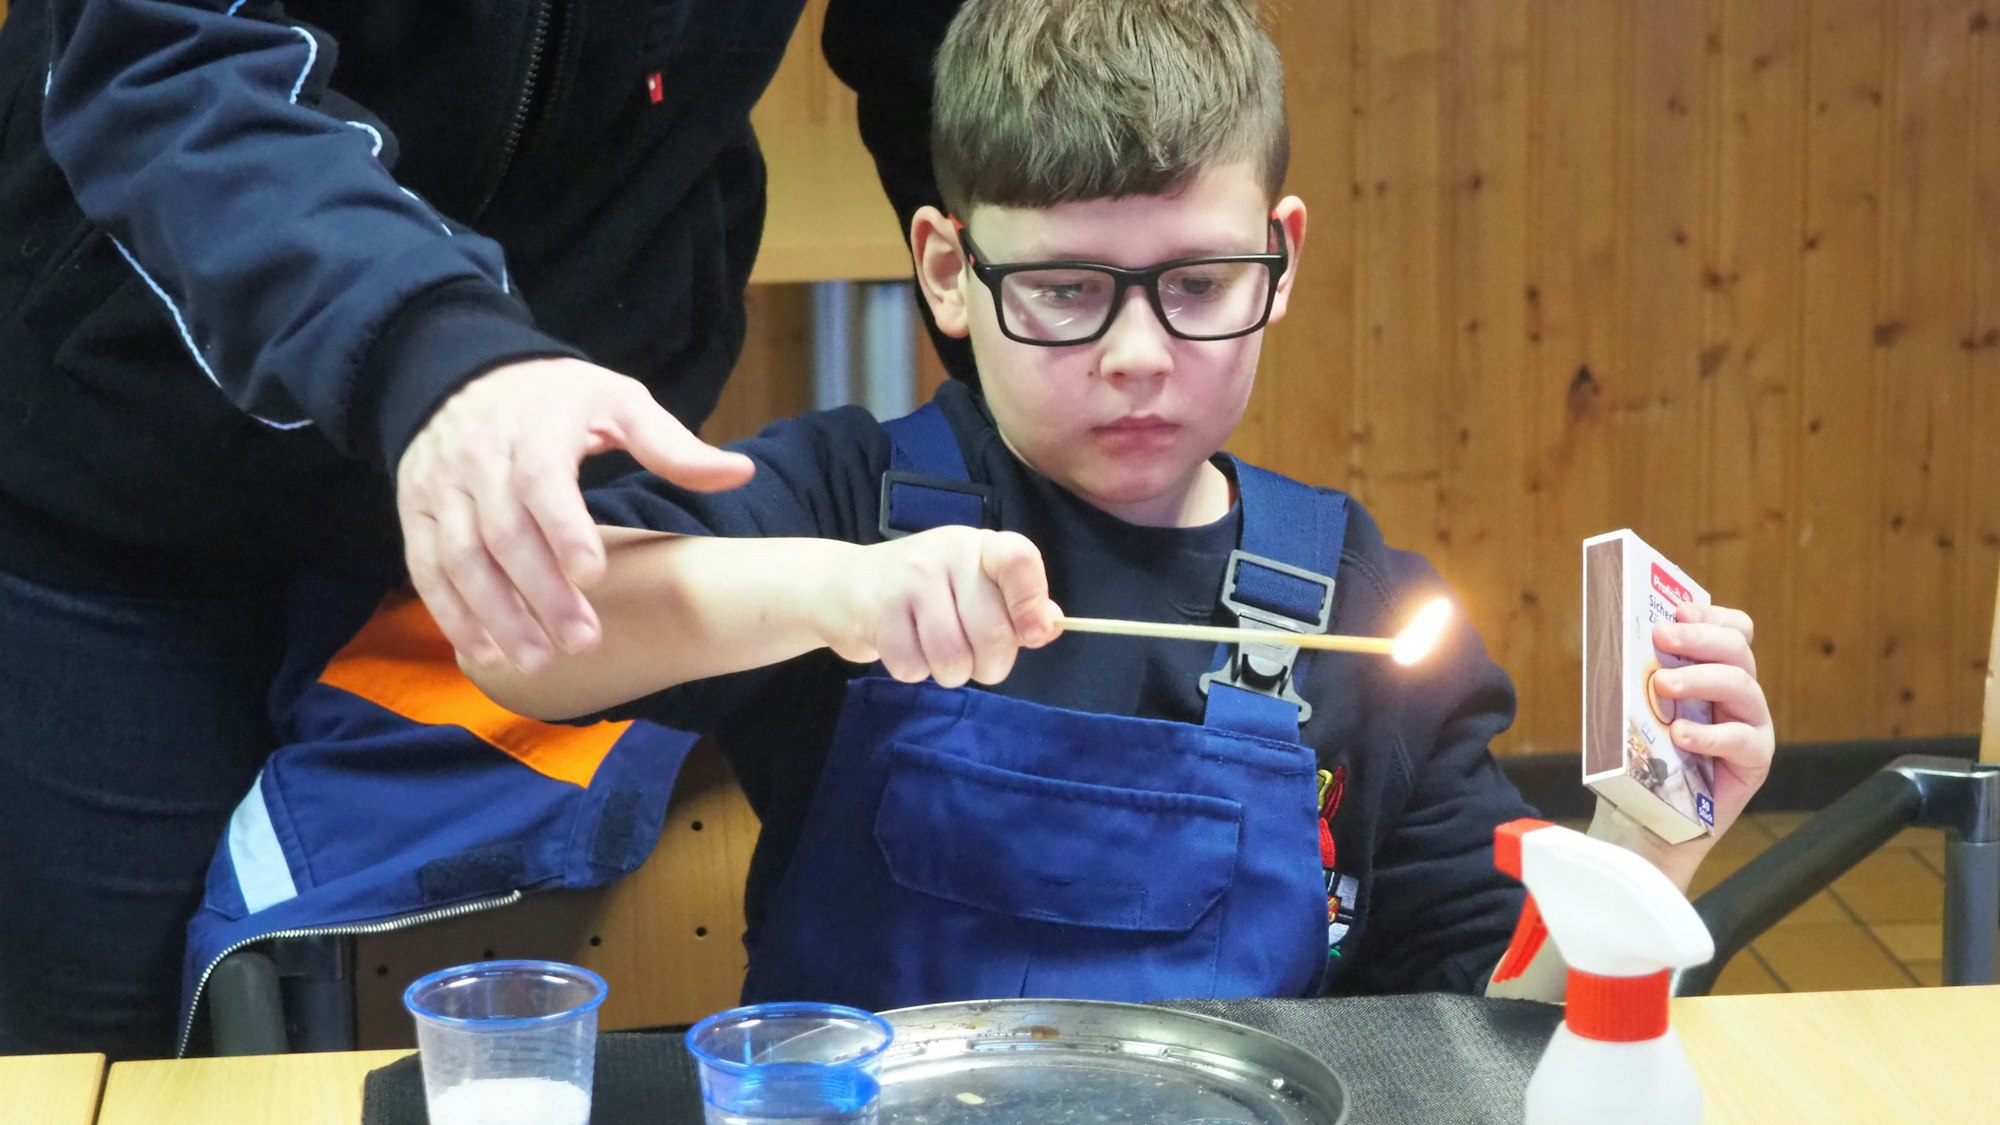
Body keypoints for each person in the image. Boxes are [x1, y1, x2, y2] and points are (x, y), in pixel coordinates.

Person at [466, 0, 1777, 1009]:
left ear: (1285, 253)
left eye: (1200, 284)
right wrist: (834, 589)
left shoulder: (1361, 605)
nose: (1138, 354)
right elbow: (531, 634)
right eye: (1065, 291)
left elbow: (1496, 1044)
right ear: (947, 271)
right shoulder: (846, 500)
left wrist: (1647, 847)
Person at [0, 0, 963, 1059]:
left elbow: (941, 52)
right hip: (122, 463)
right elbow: (170, 57)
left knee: (443, 1030)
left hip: (558, 494)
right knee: (115, 1055)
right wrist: (435, 353)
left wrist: (1082, 378)